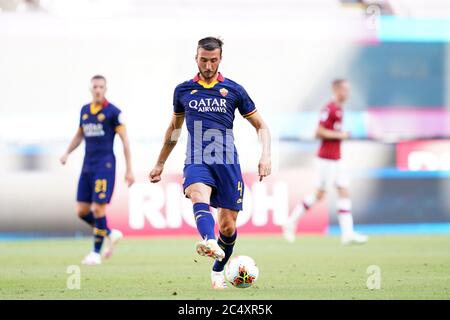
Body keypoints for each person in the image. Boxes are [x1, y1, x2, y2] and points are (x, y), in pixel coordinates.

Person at [149, 37, 271, 289]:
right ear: (196, 58)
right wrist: (160, 163)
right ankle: (207, 240)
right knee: (197, 193)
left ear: (220, 60)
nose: (208, 65)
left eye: (213, 60)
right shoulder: (183, 91)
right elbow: (174, 129)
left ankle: (217, 270)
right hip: (197, 159)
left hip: (226, 162)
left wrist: (266, 155)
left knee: (227, 226)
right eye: (203, 60)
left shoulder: (234, 90)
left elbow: (261, 126)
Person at [282, 79, 368, 245]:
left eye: (348, 89)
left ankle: (347, 233)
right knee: (319, 195)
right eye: (344, 89)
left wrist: (339, 135)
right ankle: (290, 221)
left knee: (343, 190)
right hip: (326, 159)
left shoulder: (340, 109)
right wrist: (340, 135)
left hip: (337, 159)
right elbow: (319, 132)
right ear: (335, 90)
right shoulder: (329, 109)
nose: (347, 93)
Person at [60, 75, 135, 265]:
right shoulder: (85, 111)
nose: (98, 90)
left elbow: (125, 141)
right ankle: (110, 232)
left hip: (105, 166)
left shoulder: (113, 112)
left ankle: (95, 253)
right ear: (91, 89)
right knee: (82, 211)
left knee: (97, 208)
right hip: (87, 166)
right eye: (95, 87)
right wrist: (67, 153)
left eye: (101, 87)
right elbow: (79, 135)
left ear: (106, 88)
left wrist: (129, 169)